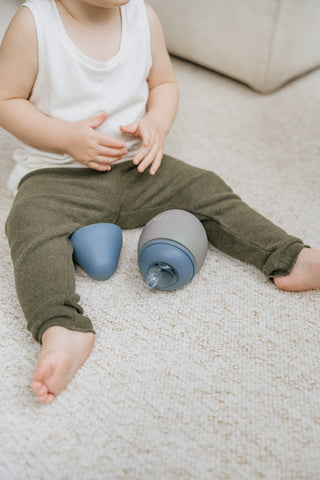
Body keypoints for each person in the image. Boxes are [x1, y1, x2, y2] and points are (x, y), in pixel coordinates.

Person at [0, 0, 319, 405]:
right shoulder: (33, 24)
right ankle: (62, 328)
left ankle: (291, 257)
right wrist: (65, 137)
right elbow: (6, 100)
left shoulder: (142, 17)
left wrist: (156, 123)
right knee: (29, 222)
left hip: (137, 166)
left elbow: (164, 84)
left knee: (205, 187)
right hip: (58, 177)